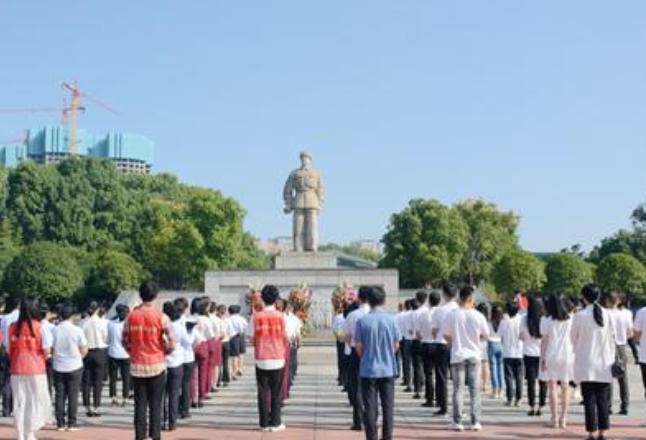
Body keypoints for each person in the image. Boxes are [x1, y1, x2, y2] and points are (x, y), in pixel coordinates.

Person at [123, 282, 176, 440]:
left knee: (139, 404)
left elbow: (124, 340)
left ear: (140, 295)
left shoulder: (131, 316)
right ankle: (155, 435)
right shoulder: (162, 317)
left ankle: (139, 436)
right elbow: (172, 343)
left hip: (137, 365)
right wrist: (163, 351)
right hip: (157, 365)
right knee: (156, 404)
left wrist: (133, 352)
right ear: (156, 295)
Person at [355, 286, 401, 440]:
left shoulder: (362, 321)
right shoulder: (391, 319)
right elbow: (396, 345)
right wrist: (386, 353)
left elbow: (359, 348)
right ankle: (387, 436)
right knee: (388, 406)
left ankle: (371, 437)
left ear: (368, 300)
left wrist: (367, 355)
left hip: (368, 369)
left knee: (370, 407)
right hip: (387, 369)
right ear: (384, 300)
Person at [441, 286, 489, 432]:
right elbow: (485, 335)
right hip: (474, 354)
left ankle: (457, 421)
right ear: (471, 298)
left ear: (460, 297)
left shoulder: (452, 314)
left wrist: (453, 343)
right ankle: (475, 421)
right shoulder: (478, 315)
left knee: (458, 389)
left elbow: (445, 334)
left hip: (458, 354)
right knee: (475, 389)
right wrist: (476, 338)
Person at [571, 285, 616, 440]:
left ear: (584, 297)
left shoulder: (580, 315)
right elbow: (612, 337)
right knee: (603, 400)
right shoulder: (608, 314)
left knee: (589, 400)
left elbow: (572, 338)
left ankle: (591, 433)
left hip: (586, 363)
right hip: (604, 363)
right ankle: (603, 433)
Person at [9, 297, 53, 440]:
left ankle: (20, 434)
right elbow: (47, 350)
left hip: (17, 369)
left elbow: (7, 348)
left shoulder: (12, 327)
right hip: (36, 370)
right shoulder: (40, 327)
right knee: (36, 401)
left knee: (20, 401)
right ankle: (30, 433)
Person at [253, 285, 288, 432]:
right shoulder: (281, 316)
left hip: (261, 357)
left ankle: (263, 423)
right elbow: (287, 336)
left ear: (262, 298)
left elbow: (250, 335)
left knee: (262, 391)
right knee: (276, 391)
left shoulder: (256, 316)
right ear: (276, 298)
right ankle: (275, 422)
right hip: (277, 356)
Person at [52, 304, 88, 432]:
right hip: (74, 366)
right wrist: (79, 358)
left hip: (58, 366)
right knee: (73, 395)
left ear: (60, 315)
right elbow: (84, 349)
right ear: (72, 316)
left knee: (59, 395)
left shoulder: (54, 330)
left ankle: (60, 423)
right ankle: (71, 423)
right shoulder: (77, 330)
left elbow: (51, 348)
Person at [540, 293, 574, 429]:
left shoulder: (546, 319)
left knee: (552, 387)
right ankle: (563, 418)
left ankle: (554, 418)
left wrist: (542, 358)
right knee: (566, 386)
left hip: (551, 355)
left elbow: (544, 341)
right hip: (567, 354)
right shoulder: (571, 319)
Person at [430, 283, 460, 417]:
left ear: (444, 294)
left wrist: (438, 338)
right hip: (457, 345)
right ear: (456, 294)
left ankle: (443, 407)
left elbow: (434, 330)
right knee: (458, 379)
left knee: (441, 377)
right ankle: (459, 408)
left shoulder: (439, 310)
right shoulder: (460, 309)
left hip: (441, 345)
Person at [344, 286, 372, 431]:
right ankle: (371, 419)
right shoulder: (375, 315)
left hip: (356, 354)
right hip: (373, 354)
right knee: (372, 388)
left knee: (357, 388)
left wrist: (354, 346)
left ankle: (358, 421)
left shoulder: (352, 315)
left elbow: (347, 337)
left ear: (359, 298)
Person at [605, 292, 632, 415]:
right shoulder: (626, 314)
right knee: (623, 377)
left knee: (608, 377)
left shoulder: (605, 313)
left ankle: (608, 405)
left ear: (608, 301)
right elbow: (630, 333)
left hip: (609, 346)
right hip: (622, 346)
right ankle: (625, 405)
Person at [162, 301, 187, 432]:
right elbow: (188, 342)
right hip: (176, 362)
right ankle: (172, 422)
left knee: (161, 395)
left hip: (162, 363)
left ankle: (161, 420)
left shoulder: (160, 326)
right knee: (174, 394)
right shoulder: (180, 327)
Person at [521, 295, 547, 417]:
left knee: (531, 381)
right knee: (543, 381)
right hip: (543, 353)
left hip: (529, 353)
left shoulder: (524, 319)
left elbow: (520, 336)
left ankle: (532, 406)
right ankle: (541, 406)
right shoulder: (545, 319)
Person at [81, 301, 108, 417]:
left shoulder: (83, 323)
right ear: (97, 309)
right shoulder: (102, 323)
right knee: (98, 382)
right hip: (100, 352)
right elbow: (105, 337)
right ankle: (97, 407)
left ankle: (87, 406)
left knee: (86, 381)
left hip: (87, 352)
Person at [173, 297, 198, 420]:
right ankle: (185, 410)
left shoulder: (170, 322)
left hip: (176, 358)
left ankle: (176, 409)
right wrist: (192, 331)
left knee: (176, 386)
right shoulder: (188, 322)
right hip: (187, 357)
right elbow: (191, 341)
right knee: (186, 384)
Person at [499, 301, 523, 407]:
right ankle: (519, 398)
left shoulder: (504, 322)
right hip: (520, 352)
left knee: (508, 377)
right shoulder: (521, 321)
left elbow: (500, 335)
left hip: (507, 352)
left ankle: (509, 398)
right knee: (519, 377)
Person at [419, 291, 440, 408]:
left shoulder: (424, 314)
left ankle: (430, 398)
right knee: (440, 373)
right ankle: (440, 399)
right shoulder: (443, 313)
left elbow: (419, 332)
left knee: (428, 373)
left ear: (429, 301)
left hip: (427, 344)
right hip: (439, 344)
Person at [193, 297, 215, 407]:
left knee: (192, 375)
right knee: (203, 372)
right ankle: (201, 396)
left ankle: (191, 397)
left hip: (193, 346)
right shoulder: (207, 320)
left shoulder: (192, 318)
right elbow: (210, 335)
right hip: (203, 344)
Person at [108, 304, 131, 407]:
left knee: (112, 378)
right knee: (126, 377)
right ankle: (125, 398)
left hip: (113, 353)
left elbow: (107, 338)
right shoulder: (129, 325)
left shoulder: (111, 324)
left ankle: (113, 398)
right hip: (126, 354)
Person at [0, 300, 19, 417]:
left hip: (5, 350)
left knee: (6, 379)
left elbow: (2, 336)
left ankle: (6, 408)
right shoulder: (23, 319)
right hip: (17, 352)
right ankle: (14, 407)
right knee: (15, 380)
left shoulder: (6, 318)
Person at [411, 291, 428, 400]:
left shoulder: (415, 313)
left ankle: (418, 390)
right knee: (428, 369)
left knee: (417, 366)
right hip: (429, 341)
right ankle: (429, 391)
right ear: (426, 299)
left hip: (417, 341)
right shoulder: (429, 312)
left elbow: (415, 331)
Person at [487, 305, 504, 399]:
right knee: (501, 367)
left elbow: (486, 333)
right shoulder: (503, 322)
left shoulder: (489, 322)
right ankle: (501, 390)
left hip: (491, 343)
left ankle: (495, 390)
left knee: (493, 368)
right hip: (501, 344)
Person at [39, 304, 56, 396]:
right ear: (47, 314)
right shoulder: (51, 326)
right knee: (49, 378)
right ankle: (48, 396)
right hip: (49, 355)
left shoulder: (37, 325)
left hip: (39, 356)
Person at [228, 305, 248, 378]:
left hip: (232, 337)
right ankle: (240, 369)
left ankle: (234, 371)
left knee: (234, 355)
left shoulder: (228, 319)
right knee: (241, 353)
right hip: (241, 336)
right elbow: (245, 327)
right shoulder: (241, 318)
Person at [398, 300, 413, 392]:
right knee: (416, 363)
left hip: (403, 338)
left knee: (405, 361)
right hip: (414, 339)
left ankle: (406, 380)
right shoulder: (411, 314)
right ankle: (419, 381)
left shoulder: (399, 316)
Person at [475, 303, 490, 394]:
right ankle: (485, 385)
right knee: (485, 364)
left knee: (479, 365)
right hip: (486, 343)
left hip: (477, 343)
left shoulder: (477, 318)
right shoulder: (488, 320)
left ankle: (479, 384)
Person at [217, 304, 231, 387]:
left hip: (219, 342)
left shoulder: (216, 320)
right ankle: (226, 380)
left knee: (218, 362)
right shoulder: (228, 321)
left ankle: (218, 380)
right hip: (226, 342)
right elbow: (230, 332)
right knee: (225, 362)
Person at [333, 308, 347, 388]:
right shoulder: (350, 316)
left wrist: (339, 337)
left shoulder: (338, 317)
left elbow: (336, 329)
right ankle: (345, 381)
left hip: (341, 340)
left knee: (341, 361)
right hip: (348, 342)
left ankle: (342, 379)